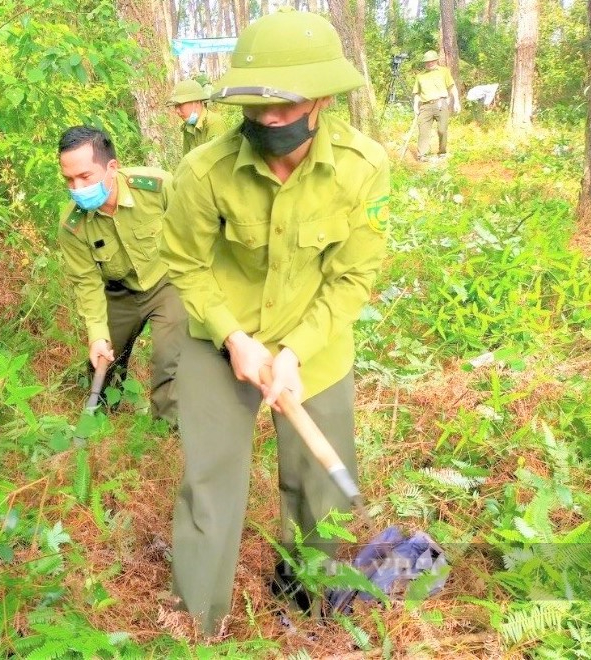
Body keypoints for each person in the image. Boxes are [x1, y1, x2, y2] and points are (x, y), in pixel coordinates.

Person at [161, 10, 390, 636]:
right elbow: (184, 262)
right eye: (255, 107)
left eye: (282, 108)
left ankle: (309, 599)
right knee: (210, 483)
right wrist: (234, 337)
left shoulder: (362, 168)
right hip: (220, 340)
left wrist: (294, 352)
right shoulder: (203, 172)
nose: (266, 121)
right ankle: (197, 625)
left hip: (315, 346)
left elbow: (352, 277)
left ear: (320, 98)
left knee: (321, 488)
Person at [56, 126, 187, 425]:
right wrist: (97, 337)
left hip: (166, 283)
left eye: (85, 177)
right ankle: (103, 420)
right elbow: (87, 285)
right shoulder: (72, 226)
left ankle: (166, 429)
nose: (77, 188)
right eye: (69, 179)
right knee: (101, 363)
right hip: (118, 291)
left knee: (169, 359)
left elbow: (192, 231)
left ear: (111, 167)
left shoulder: (156, 187)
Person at [412, 50, 461, 161]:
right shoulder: (420, 76)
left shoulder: (444, 72)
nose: (429, 63)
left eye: (432, 61)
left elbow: (452, 87)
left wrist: (456, 101)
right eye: (427, 62)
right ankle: (422, 155)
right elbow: (417, 93)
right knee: (423, 131)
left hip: (441, 104)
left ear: (436, 60)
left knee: (442, 130)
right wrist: (415, 106)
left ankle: (442, 152)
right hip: (425, 106)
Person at [166, 79, 228, 156]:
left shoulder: (214, 123)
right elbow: (186, 159)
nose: (177, 110)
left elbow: (219, 161)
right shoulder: (188, 126)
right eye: (175, 106)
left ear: (197, 102)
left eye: (180, 105)